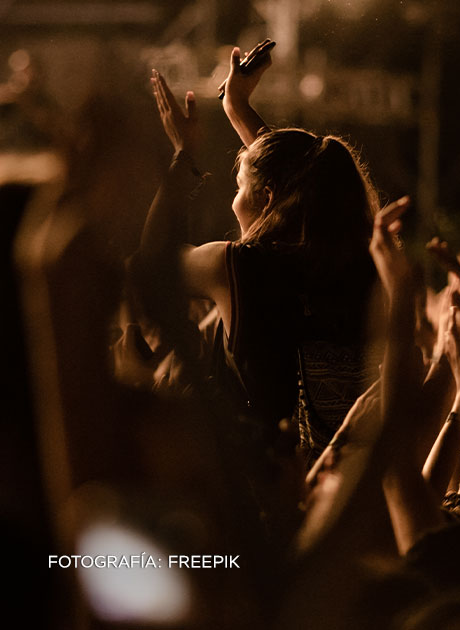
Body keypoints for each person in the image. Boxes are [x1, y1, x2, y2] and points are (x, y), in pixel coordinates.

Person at [135, 47, 382, 470]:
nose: (234, 201)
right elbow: (305, 183)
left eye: (238, 187)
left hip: (262, 493)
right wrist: (237, 108)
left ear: (268, 198)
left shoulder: (237, 268)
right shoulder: (362, 266)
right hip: (344, 490)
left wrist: (184, 157)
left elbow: (151, 265)